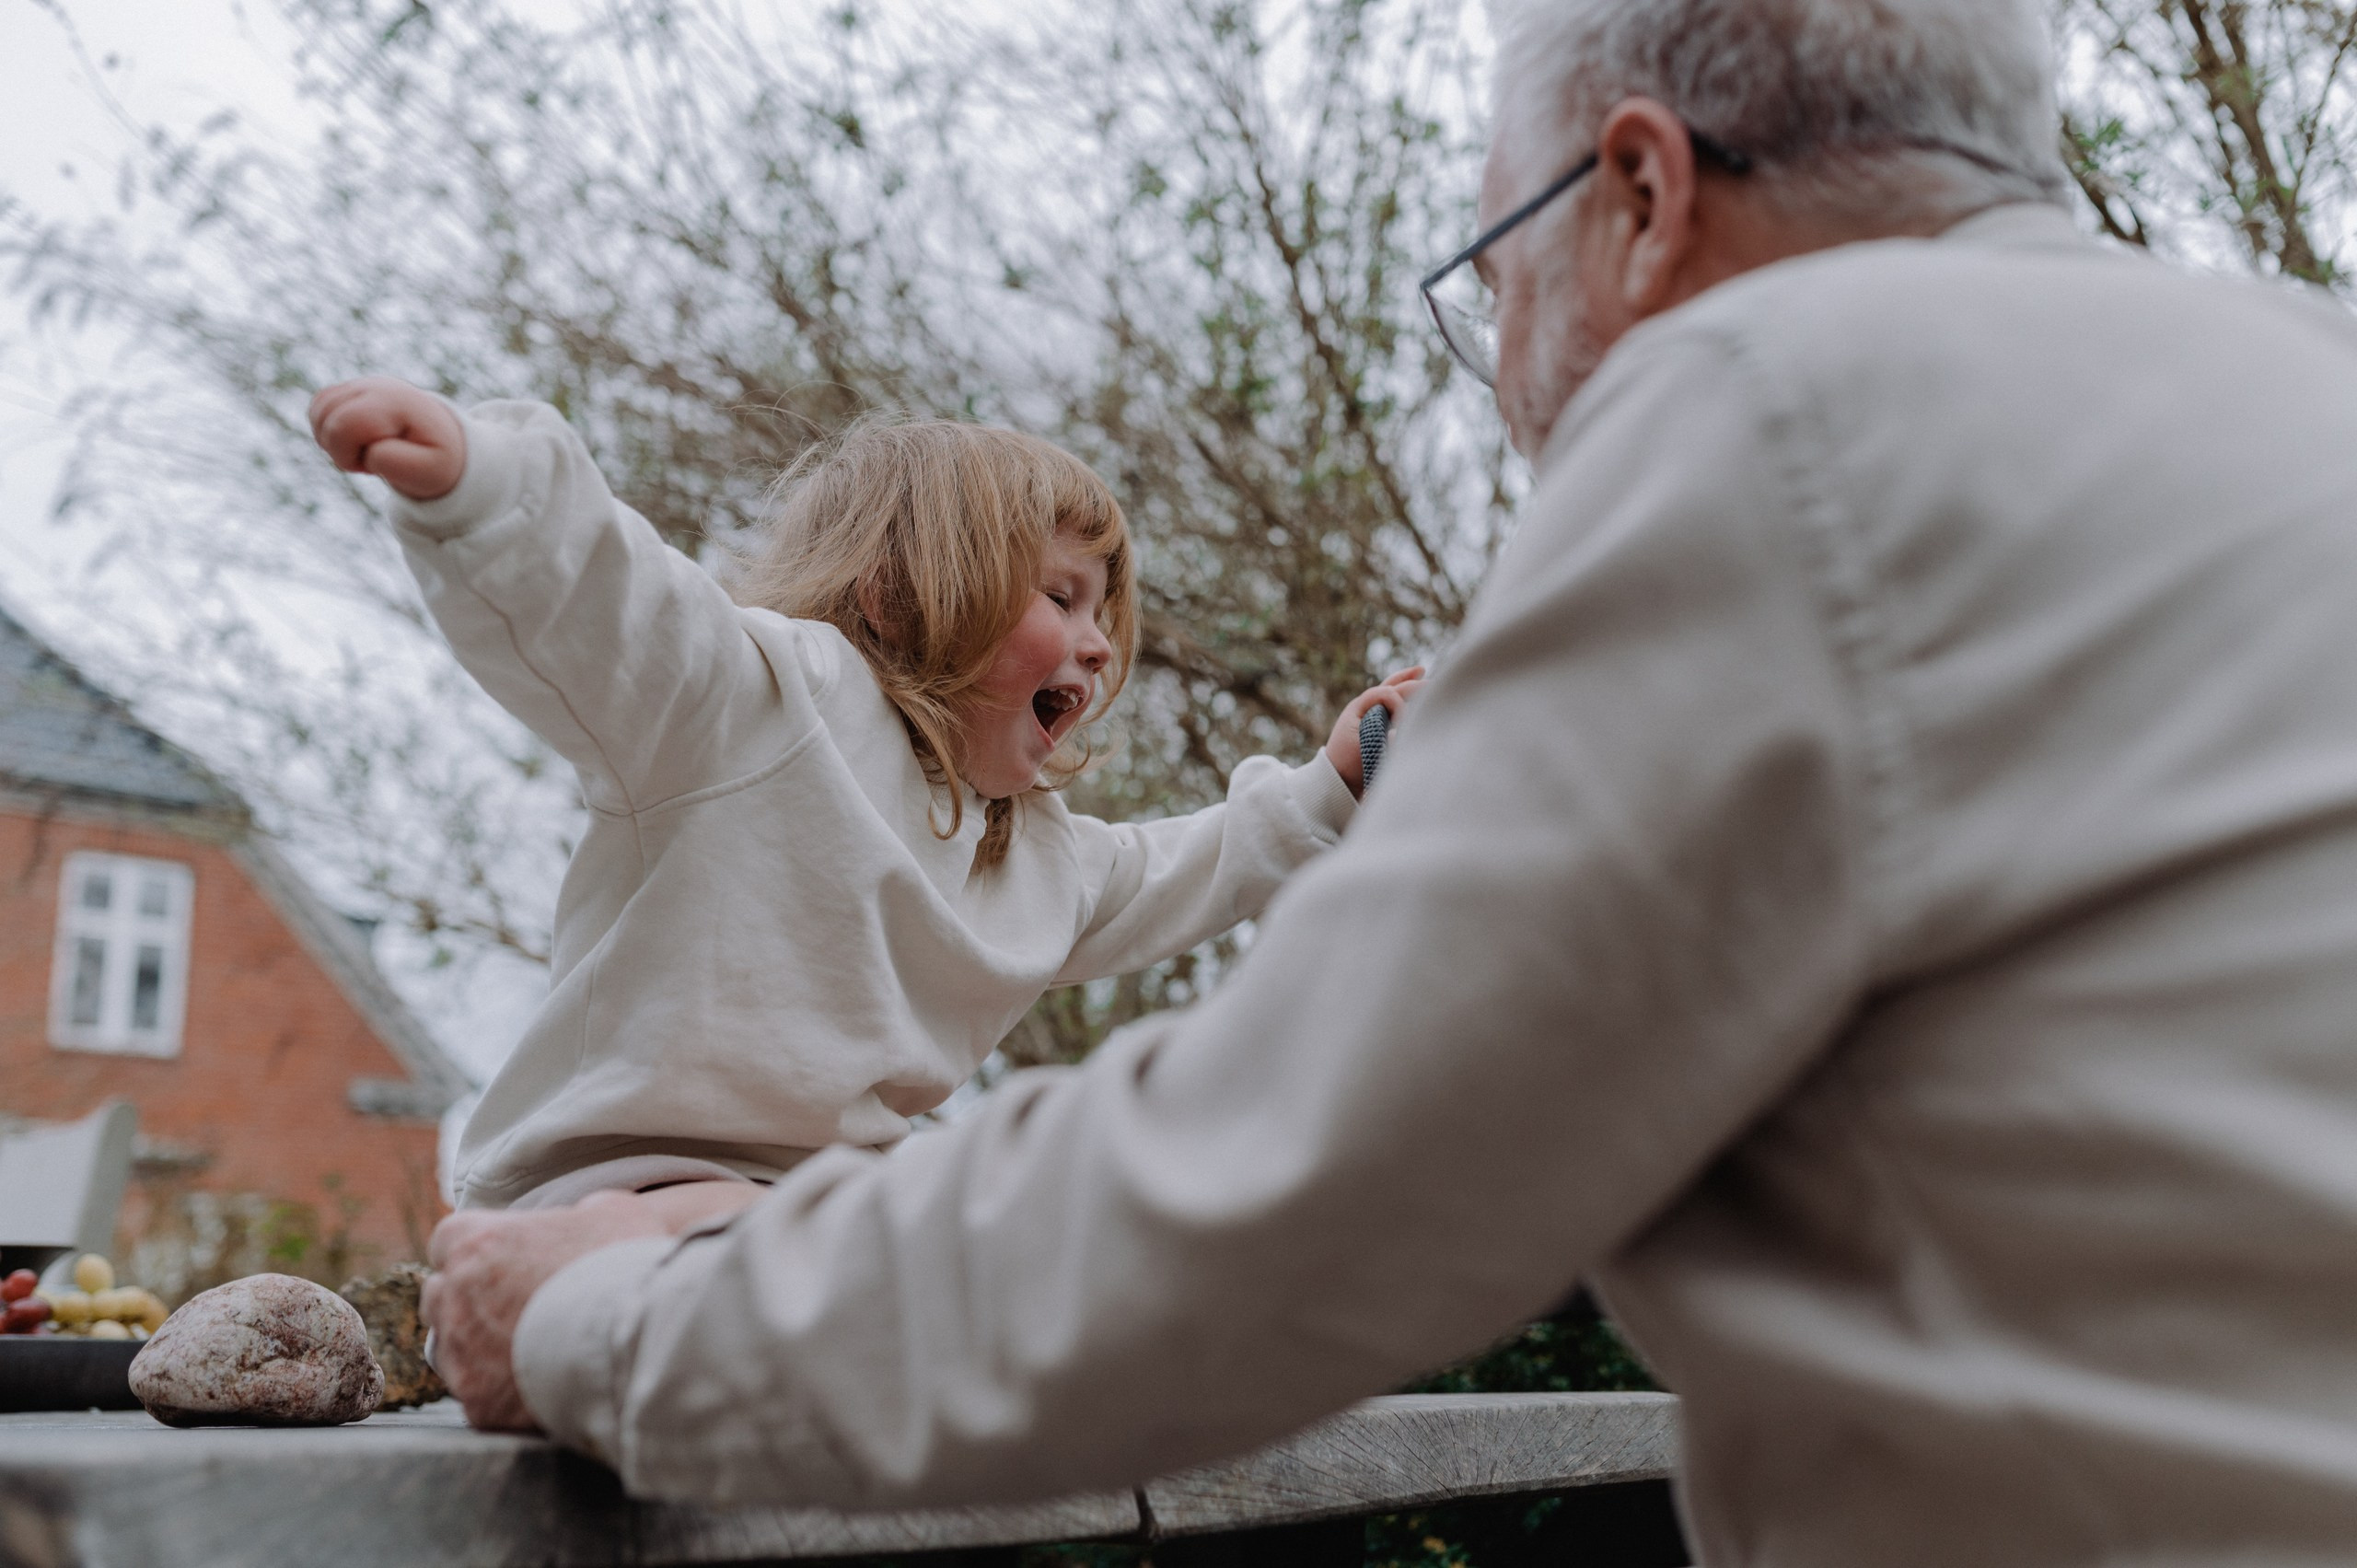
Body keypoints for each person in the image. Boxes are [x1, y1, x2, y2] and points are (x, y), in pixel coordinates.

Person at [426, 0, 2357, 1559]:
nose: (1503, 364)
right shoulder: (2294, 376)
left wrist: (597, 1323)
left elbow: (1263, 1210)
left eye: (1494, 266)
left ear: (1638, 194)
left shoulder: (1777, 411)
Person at [308, 381, 1417, 1215]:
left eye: (1101, 615)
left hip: (820, 1224)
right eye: (1061, 595)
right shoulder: (763, 706)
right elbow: (625, 614)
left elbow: (1188, 868)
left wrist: (1331, 788)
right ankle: (538, 1289)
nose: (1094, 644)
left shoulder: (1031, 851)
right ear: (896, 595)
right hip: (615, 1184)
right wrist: (488, 493)